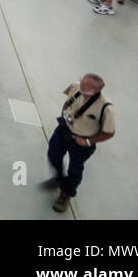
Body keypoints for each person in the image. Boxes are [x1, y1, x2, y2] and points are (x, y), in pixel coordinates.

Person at [43, 74, 115, 212]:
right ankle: (58, 178)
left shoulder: (106, 108)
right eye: (82, 83)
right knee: (53, 154)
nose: (81, 86)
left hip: (82, 142)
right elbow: (67, 101)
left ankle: (66, 193)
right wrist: (64, 114)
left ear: (96, 90)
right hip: (64, 131)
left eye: (86, 86)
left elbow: (109, 132)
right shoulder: (76, 87)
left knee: (75, 169)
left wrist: (88, 141)